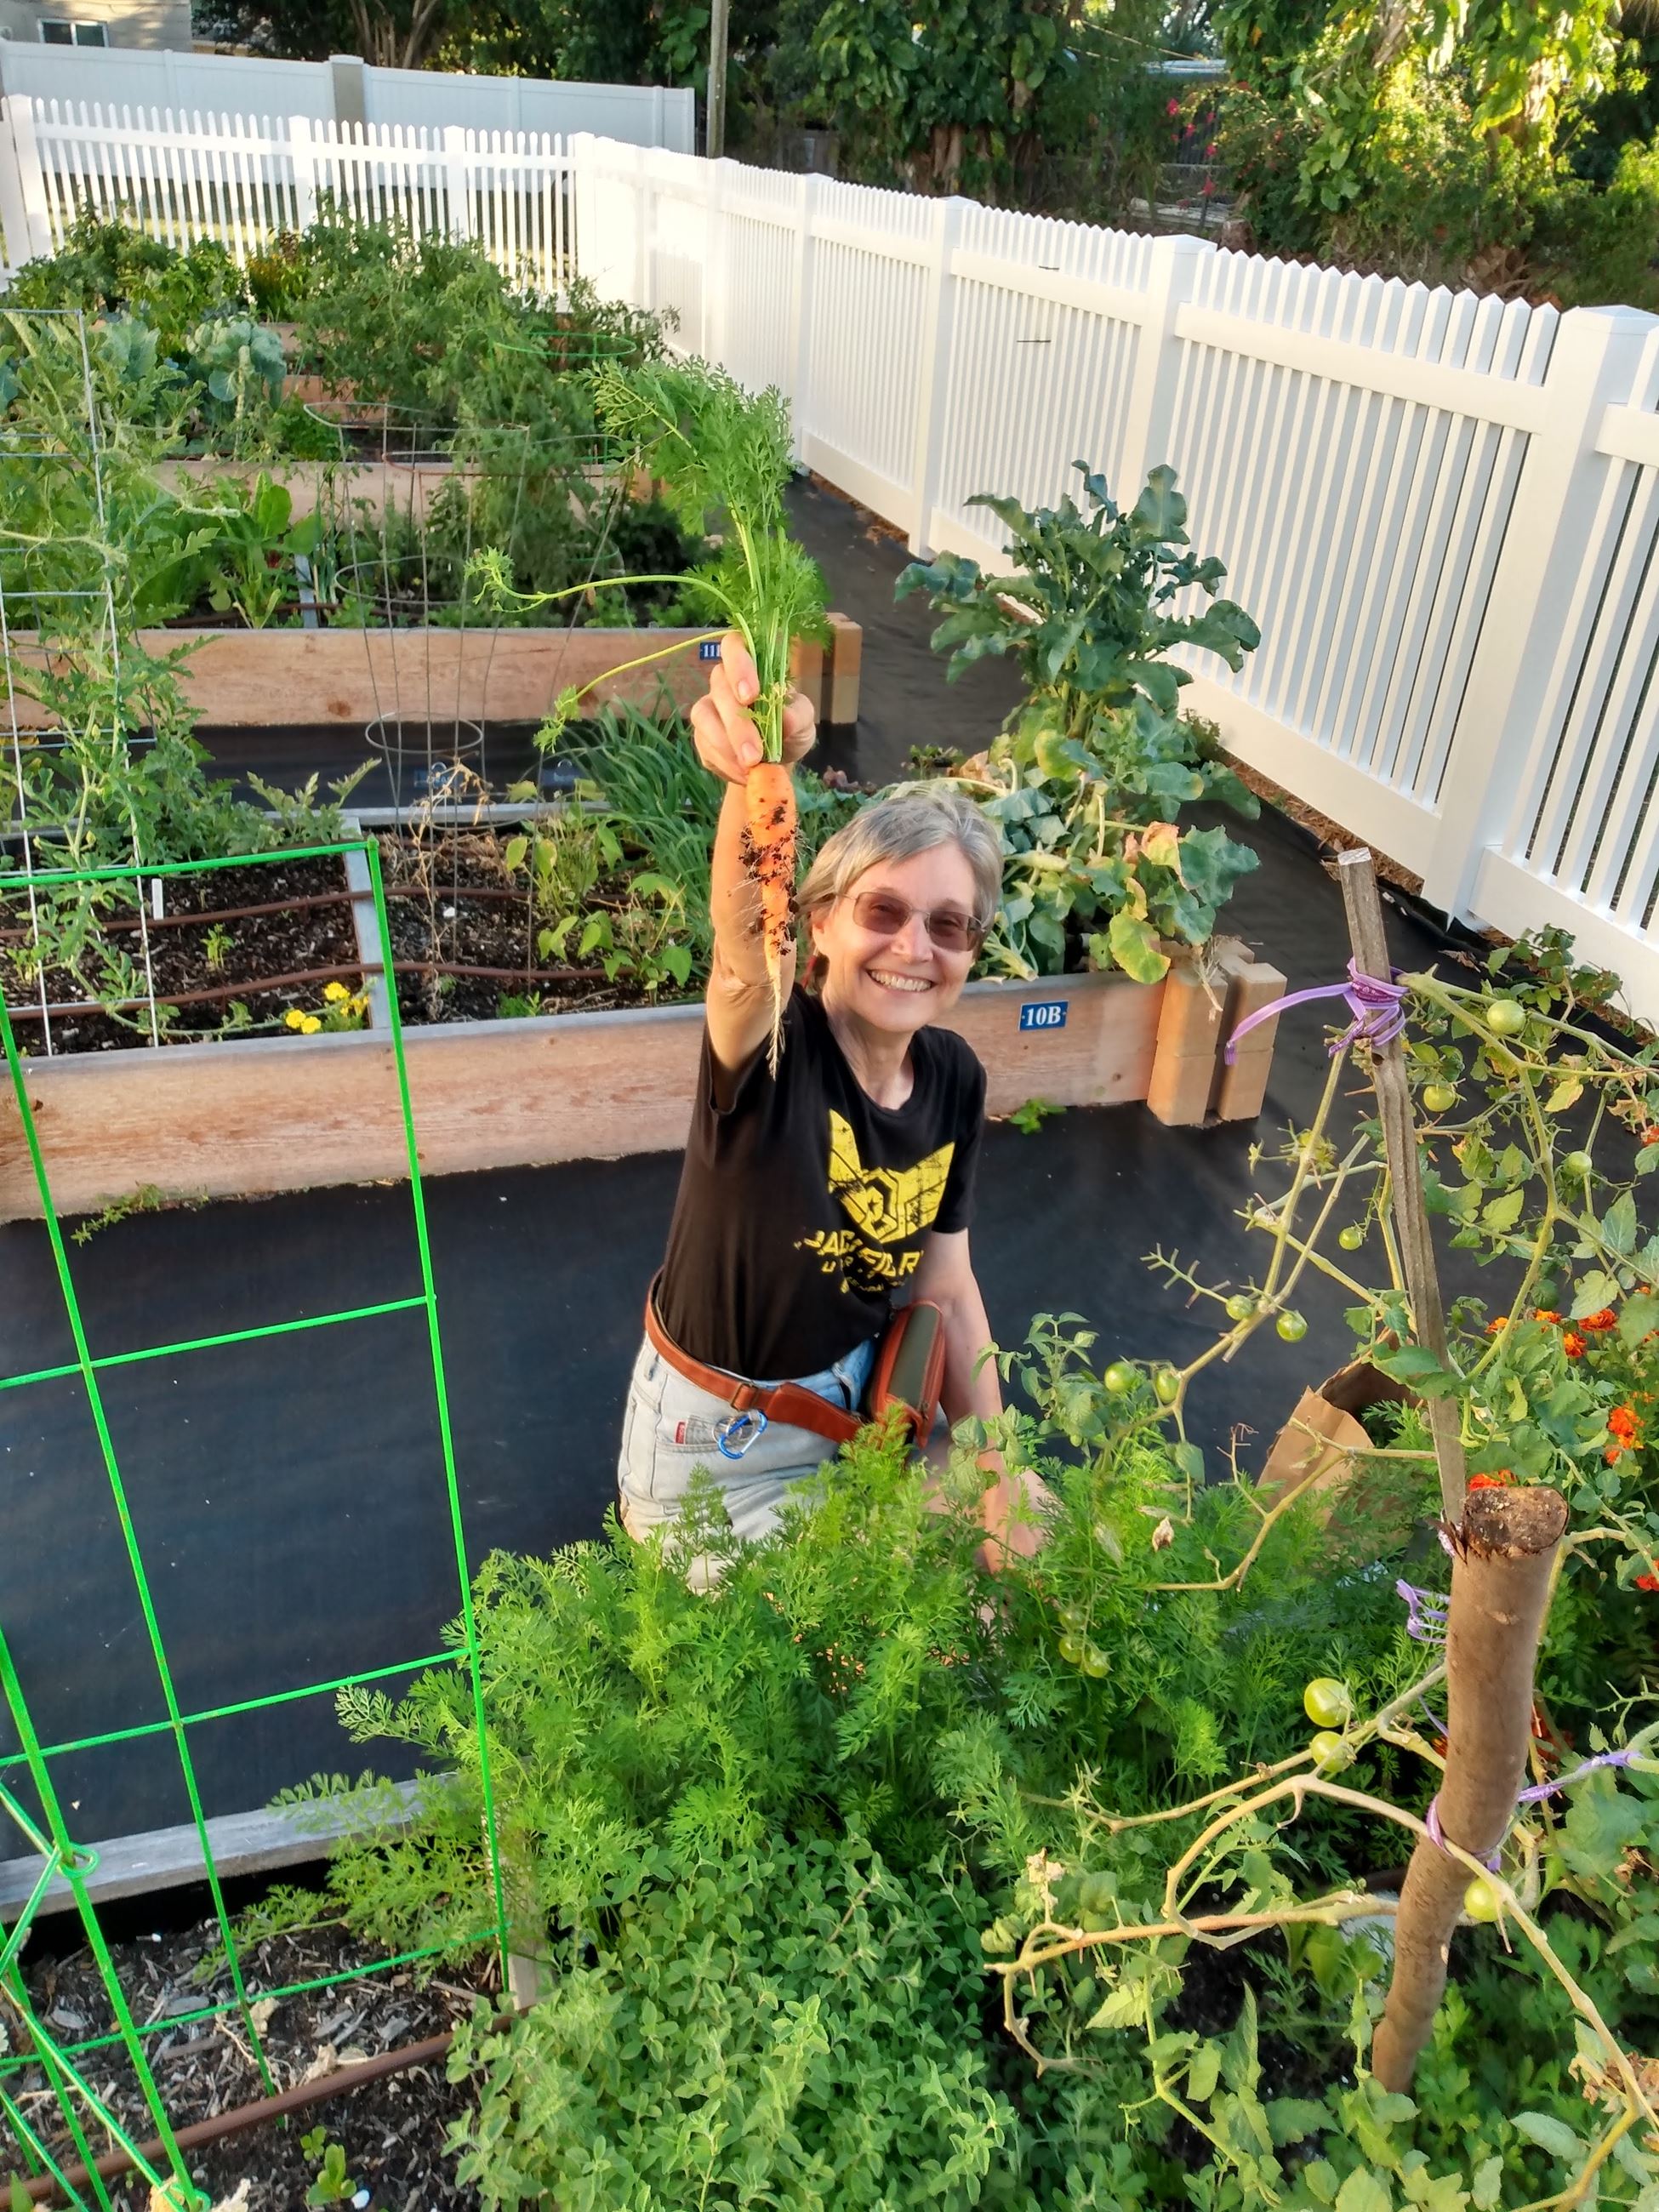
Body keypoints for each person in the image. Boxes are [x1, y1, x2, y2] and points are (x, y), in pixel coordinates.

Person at [616, 633, 1045, 1570]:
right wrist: (757, 772)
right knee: (894, 1655)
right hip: (716, 1461)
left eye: (949, 924)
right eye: (882, 911)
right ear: (820, 922)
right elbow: (740, 941)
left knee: (1042, 1546)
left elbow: (944, 1283)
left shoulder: (955, 1079)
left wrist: (998, 1468)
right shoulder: (776, 1048)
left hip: (864, 1424)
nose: (913, 947)